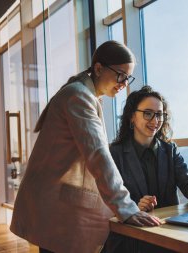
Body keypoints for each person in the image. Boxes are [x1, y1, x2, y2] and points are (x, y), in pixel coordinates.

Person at [10, 41, 161, 253]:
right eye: (120, 75)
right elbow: (98, 155)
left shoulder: (82, 95)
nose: (124, 83)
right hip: (55, 209)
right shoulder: (78, 96)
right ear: (98, 68)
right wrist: (126, 208)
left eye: (128, 78)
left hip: (54, 206)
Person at [103, 86, 188, 253]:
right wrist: (135, 206)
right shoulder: (115, 153)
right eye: (148, 113)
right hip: (131, 239)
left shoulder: (169, 150)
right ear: (132, 117)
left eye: (159, 114)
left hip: (166, 234)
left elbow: (187, 180)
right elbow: (109, 199)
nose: (155, 120)